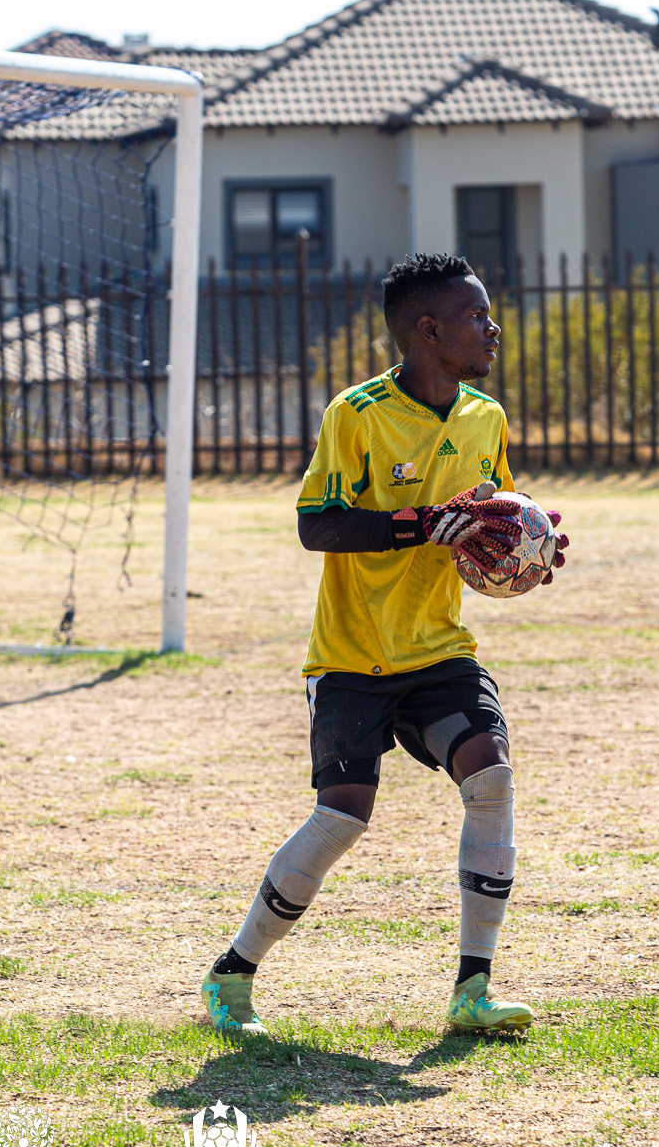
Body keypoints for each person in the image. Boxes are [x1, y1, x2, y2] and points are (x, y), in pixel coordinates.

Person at [198, 252, 568, 1037]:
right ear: (428, 329)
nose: (493, 328)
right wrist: (421, 523)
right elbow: (318, 525)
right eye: (476, 316)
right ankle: (232, 974)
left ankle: (473, 990)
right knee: (343, 818)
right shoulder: (357, 413)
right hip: (353, 656)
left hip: (439, 648)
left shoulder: (486, 418)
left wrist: (518, 552)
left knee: (492, 778)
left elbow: (485, 516)